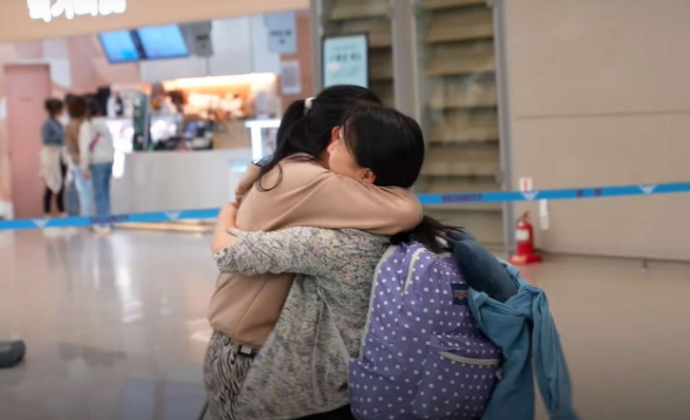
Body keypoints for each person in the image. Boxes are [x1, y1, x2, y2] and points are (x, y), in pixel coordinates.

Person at [207, 105, 455, 420]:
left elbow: (229, 253)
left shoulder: (333, 243)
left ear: (366, 176)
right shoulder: (413, 236)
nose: (330, 144)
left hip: (300, 396)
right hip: (350, 386)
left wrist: (226, 214)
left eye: (342, 143)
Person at [80, 99, 115, 231]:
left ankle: (102, 223)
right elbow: (112, 144)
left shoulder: (87, 126)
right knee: (106, 192)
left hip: (97, 162)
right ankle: (107, 219)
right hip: (109, 161)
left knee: (99, 193)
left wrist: (84, 167)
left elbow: (85, 148)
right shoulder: (104, 124)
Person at [65, 96, 94, 217]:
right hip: (88, 161)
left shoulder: (69, 126)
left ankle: (87, 217)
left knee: (84, 192)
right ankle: (92, 218)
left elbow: (71, 147)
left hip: (78, 161)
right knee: (90, 192)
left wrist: (78, 160)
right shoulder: (85, 123)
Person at [40, 98, 67, 217]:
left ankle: (62, 211)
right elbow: (46, 140)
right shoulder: (47, 124)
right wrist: (61, 135)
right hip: (51, 156)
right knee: (50, 184)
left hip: (61, 156)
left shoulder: (60, 123)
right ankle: (47, 213)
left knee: (61, 184)